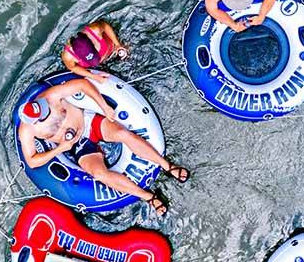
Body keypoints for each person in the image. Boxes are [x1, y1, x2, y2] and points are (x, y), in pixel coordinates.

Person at [17, 78, 188, 216]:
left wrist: (104, 106)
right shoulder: (27, 130)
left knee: (123, 134)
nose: (48, 112)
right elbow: (32, 161)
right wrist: (60, 149)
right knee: (99, 174)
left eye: (45, 109)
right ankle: (148, 197)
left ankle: (168, 166)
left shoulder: (50, 97)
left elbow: (82, 84)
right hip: (75, 145)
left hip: (88, 122)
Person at [60, 20, 130, 84]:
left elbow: (105, 26)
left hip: (114, 49)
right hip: (98, 67)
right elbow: (73, 68)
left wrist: (117, 44)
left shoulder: (94, 30)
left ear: (92, 42)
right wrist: (94, 76)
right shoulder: (68, 56)